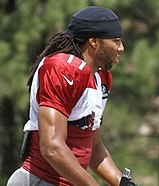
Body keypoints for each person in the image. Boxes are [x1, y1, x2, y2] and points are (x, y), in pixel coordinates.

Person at [6, 6, 136, 186]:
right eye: (116, 41)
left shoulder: (100, 78)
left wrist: (122, 182)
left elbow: (94, 146)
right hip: (40, 180)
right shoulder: (61, 68)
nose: (121, 48)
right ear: (94, 41)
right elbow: (51, 147)